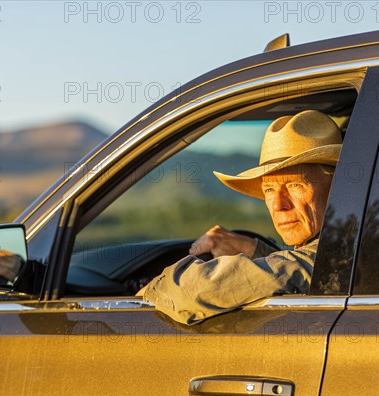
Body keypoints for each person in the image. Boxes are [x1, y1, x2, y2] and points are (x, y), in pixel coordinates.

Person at [137, 109, 342, 325]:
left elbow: (193, 291)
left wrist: (152, 289)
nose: (278, 205)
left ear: (336, 189)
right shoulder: (344, 247)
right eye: (269, 190)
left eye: (295, 185)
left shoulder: (333, 256)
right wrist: (253, 249)